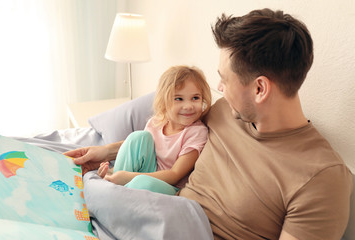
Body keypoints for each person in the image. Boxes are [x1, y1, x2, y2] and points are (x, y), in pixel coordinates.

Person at [65, 8, 353, 240]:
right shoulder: (225, 111)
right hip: (158, 214)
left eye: (225, 80)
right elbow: (168, 133)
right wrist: (104, 152)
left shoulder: (321, 178)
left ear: (260, 89)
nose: (218, 88)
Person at [96, 65, 212, 195]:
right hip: (147, 172)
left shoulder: (196, 132)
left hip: (170, 186)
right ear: (164, 102)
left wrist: (128, 177)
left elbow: (175, 174)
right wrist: (113, 173)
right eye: (179, 99)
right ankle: (113, 181)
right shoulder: (156, 122)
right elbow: (138, 156)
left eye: (195, 98)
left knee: (141, 183)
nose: (188, 106)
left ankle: (118, 190)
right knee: (138, 137)